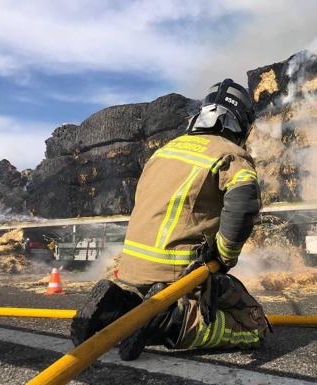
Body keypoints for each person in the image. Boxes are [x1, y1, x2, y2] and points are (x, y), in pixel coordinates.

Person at [71, 78, 270, 360]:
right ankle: (172, 321)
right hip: (177, 277)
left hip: (131, 272)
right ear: (240, 125)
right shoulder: (230, 153)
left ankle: (117, 308)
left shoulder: (163, 152)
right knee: (254, 325)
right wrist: (224, 256)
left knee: (143, 302)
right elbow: (244, 201)